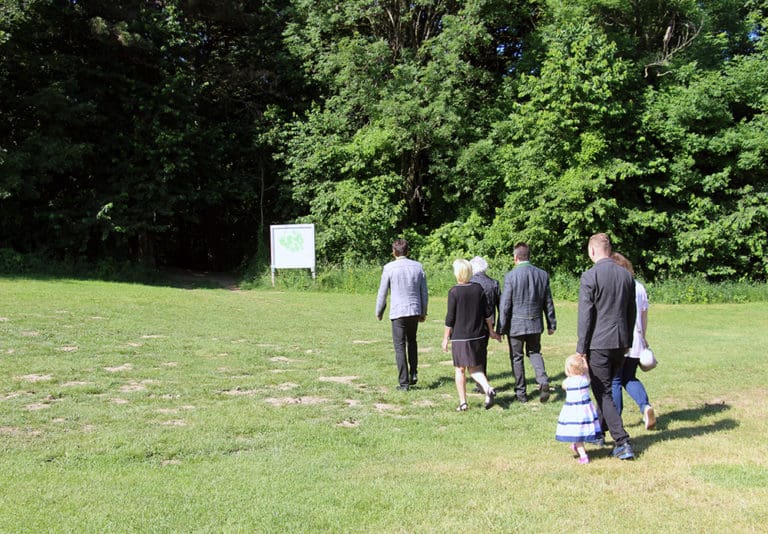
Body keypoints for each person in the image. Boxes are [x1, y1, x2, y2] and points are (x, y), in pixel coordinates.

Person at [576, 233, 637, 460]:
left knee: (603, 392)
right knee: (607, 388)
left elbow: (586, 315)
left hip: (599, 343)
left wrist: (581, 348)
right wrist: (628, 341)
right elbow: (631, 312)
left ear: (592, 251)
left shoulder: (590, 276)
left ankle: (622, 441)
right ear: (609, 250)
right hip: (620, 342)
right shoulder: (626, 275)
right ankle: (599, 433)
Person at [497, 242, 556, 403]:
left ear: (515, 257)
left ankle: (521, 393)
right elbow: (548, 302)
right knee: (535, 352)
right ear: (529, 256)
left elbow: (505, 305)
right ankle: (543, 381)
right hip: (535, 323)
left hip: (515, 325)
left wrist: (500, 328)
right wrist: (551, 323)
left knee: (517, 357)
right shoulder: (542, 275)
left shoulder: (510, 276)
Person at [442, 259, 501, 411]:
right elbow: (488, 313)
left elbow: (450, 318)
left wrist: (445, 338)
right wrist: (492, 331)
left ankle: (463, 403)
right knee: (475, 368)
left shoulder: (454, 292)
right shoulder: (478, 289)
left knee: (460, 369)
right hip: (478, 335)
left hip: (460, 337)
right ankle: (487, 388)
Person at [610, 252, 657, 430]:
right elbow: (644, 316)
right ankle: (645, 406)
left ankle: (615, 420)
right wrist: (643, 337)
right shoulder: (639, 287)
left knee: (615, 380)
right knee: (629, 377)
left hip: (618, 339)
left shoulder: (617, 286)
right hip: (636, 339)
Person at [376, 238, 428, 391]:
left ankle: (404, 383)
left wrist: (379, 311)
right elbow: (424, 292)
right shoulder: (418, 267)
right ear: (408, 251)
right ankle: (413, 373)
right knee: (412, 341)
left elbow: (382, 292)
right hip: (414, 310)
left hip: (398, 312)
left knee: (399, 346)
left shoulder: (389, 268)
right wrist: (423, 311)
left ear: (394, 252)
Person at [555, 354, 602, 464]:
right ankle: (576, 446)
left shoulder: (568, 382)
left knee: (576, 435)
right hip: (585, 411)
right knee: (580, 432)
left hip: (573, 412)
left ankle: (583, 455)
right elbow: (586, 372)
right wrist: (584, 361)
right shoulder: (586, 379)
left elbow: (564, 386)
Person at [469, 256, 500, 390]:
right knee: (482, 351)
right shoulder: (494, 283)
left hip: (471, 323)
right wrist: (499, 327)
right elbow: (501, 305)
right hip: (489, 322)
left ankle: (479, 381)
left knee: (473, 351)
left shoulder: (469, 282)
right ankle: (482, 380)